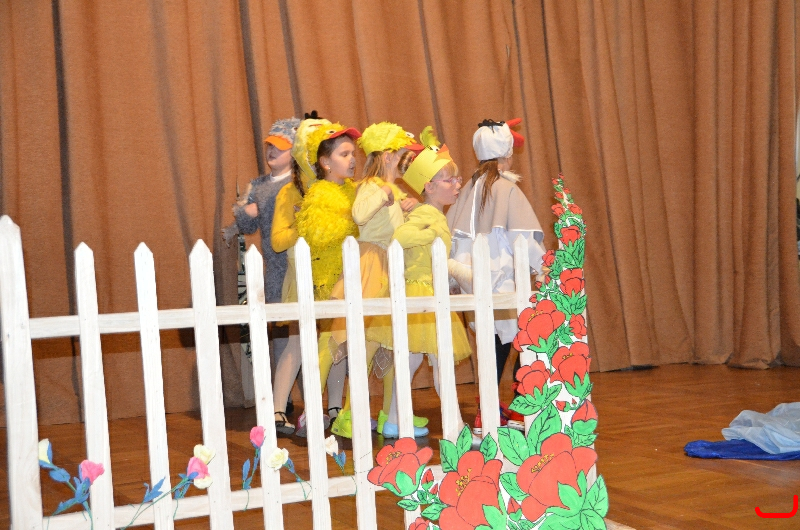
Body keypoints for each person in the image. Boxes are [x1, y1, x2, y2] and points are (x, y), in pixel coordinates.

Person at [325, 122, 428, 438]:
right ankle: (348, 414)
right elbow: (359, 215)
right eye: (403, 154)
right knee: (366, 345)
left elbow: (399, 229)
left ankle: (390, 413)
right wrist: (384, 193)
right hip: (371, 266)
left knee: (392, 344)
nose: (408, 160)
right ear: (387, 157)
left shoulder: (394, 190)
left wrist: (411, 208)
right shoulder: (371, 185)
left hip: (389, 267)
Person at [446, 118, 546, 434]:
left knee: (493, 344)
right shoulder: (506, 188)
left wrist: (454, 280)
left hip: (471, 280)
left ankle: (487, 410)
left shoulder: (468, 189)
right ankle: (517, 407)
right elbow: (524, 237)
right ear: (507, 153)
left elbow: (453, 236)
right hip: (502, 280)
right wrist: (544, 267)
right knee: (525, 339)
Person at [269, 116, 347, 435]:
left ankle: (335, 408)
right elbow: (277, 240)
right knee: (298, 342)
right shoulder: (290, 192)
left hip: (336, 274)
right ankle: (277, 410)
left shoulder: (341, 188)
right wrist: (305, 223)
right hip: (303, 276)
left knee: (337, 340)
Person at [225, 117, 301, 432]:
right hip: (274, 266)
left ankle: (298, 397)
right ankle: (281, 398)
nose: (272, 152)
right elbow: (246, 225)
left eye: (280, 148)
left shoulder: (300, 183)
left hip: (299, 262)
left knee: (304, 331)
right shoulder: (258, 185)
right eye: (270, 146)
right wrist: (245, 211)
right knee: (282, 330)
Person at [392, 140, 472, 434]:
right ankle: (455, 426)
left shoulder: (435, 214)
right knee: (441, 361)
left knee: (412, 361)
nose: (457, 184)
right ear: (429, 186)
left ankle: (394, 419)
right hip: (421, 293)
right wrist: (430, 235)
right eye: (449, 180)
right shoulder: (427, 214)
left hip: (427, 291)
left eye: (457, 178)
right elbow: (400, 238)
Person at [293, 122, 362, 436]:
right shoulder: (320, 194)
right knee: (330, 344)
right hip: (330, 280)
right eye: (344, 154)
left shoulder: (351, 190)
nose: (352, 159)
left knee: (342, 347)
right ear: (325, 162)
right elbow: (318, 234)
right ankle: (310, 409)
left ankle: (336, 407)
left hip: (351, 278)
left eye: (352, 153)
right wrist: (357, 221)